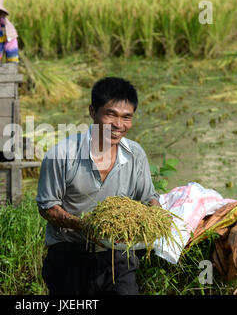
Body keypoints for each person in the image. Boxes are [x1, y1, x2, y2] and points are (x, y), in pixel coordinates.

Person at [36, 77, 161, 295]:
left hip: (117, 257)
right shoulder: (61, 155)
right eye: (110, 114)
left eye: (126, 117)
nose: (119, 125)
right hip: (70, 256)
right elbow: (47, 208)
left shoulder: (136, 154)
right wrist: (87, 227)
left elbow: (148, 197)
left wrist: (157, 218)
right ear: (93, 111)